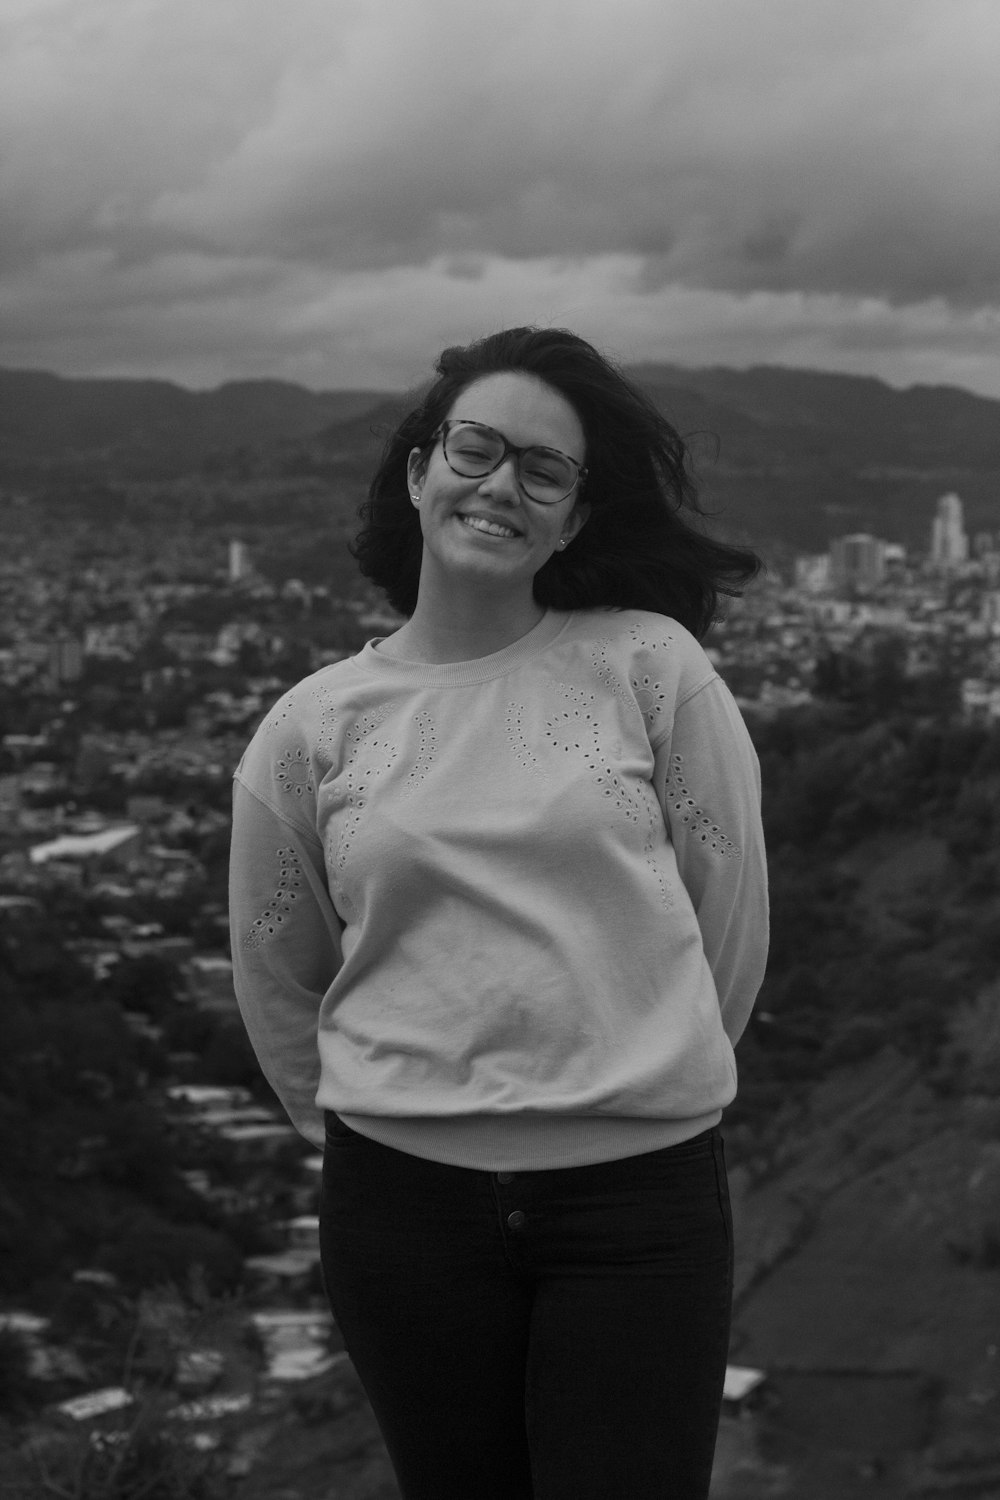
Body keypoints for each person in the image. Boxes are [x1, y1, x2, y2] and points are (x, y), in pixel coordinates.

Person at [229, 326, 768, 1500]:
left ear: (573, 518)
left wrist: (635, 1081)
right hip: (401, 1211)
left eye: (545, 469)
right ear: (420, 470)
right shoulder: (311, 728)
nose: (500, 485)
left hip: (637, 1202)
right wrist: (383, 1131)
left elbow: (729, 925)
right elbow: (278, 974)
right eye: (477, 448)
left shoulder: (649, 668)